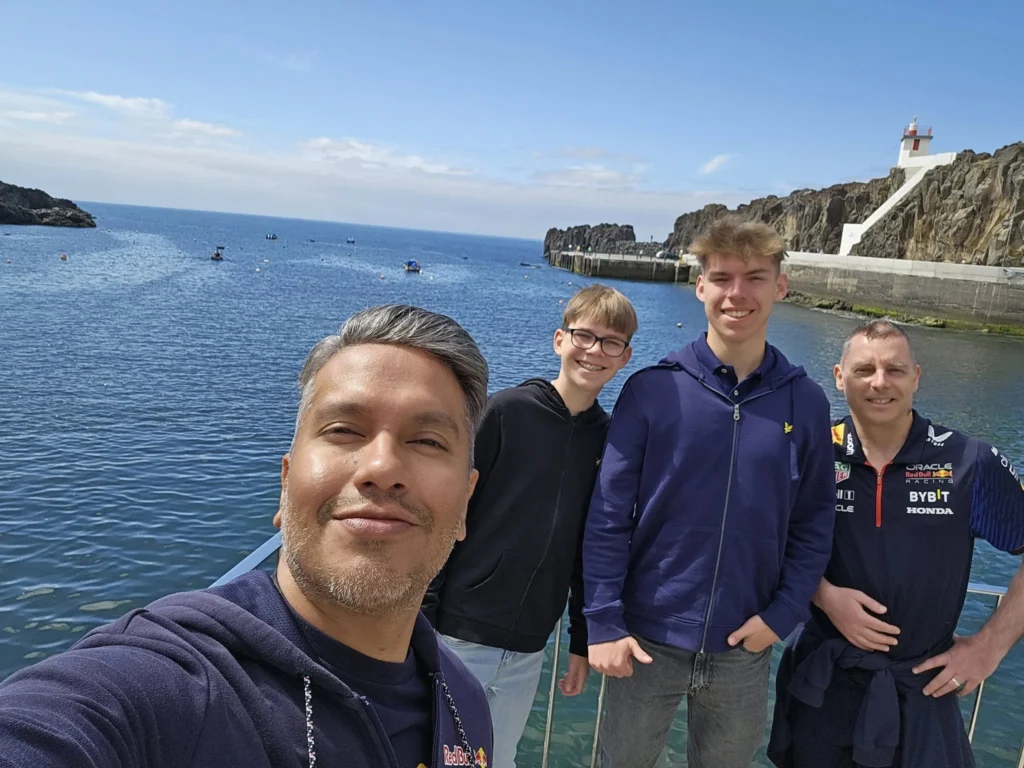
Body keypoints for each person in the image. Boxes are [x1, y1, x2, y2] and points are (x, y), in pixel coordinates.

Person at [0, 304, 494, 768]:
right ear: (284, 485)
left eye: (427, 441)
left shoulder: (465, 703)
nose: (382, 468)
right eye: (344, 430)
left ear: (465, 505)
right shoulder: (172, 687)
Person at [583, 216, 836, 768]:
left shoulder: (807, 402)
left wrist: (784, 614)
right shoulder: (652, 390)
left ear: (781, 286)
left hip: (745, 647)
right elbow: (607, 515)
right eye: (721, 278)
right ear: (699, 286)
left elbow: (815, 521)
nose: (737, 293)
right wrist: (601, 621)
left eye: (755, 277)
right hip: (644, 642)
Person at [768, 319, 1024, 768]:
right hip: (824, 684)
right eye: (864, 369)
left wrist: (989, 647)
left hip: (922, 689)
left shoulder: (967, 461)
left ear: (917, 377)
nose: (880, 383)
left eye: (895, 370)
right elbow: (763, 541)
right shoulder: (809, 454)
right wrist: (823, 596)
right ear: (839, 377)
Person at [423, 284, 638, 768]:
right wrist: (425, 617)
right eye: (585, 336)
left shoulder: (611, 442)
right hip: (456, 631)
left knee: (499, 760)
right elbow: (449, 510)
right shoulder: (505, 411)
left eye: (611, 342)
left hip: (529, 648)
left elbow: (594, 547)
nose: (595, 351)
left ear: (624, 357)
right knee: (433, 755)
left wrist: (581, 641)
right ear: (560, 339)